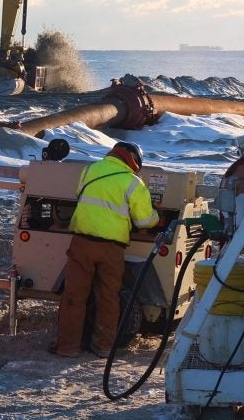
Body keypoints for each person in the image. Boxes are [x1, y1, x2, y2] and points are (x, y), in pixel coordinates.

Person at [50, 141, 159, 358]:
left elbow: (80, 195)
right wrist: (157, 217)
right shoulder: (133, 182)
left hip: (82, 243)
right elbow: (145, 221)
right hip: (111, 248)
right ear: (134, 160)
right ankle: (103, 347)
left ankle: (67, 347)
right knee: (108, 297)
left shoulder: (90, 170)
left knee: (74, 296)